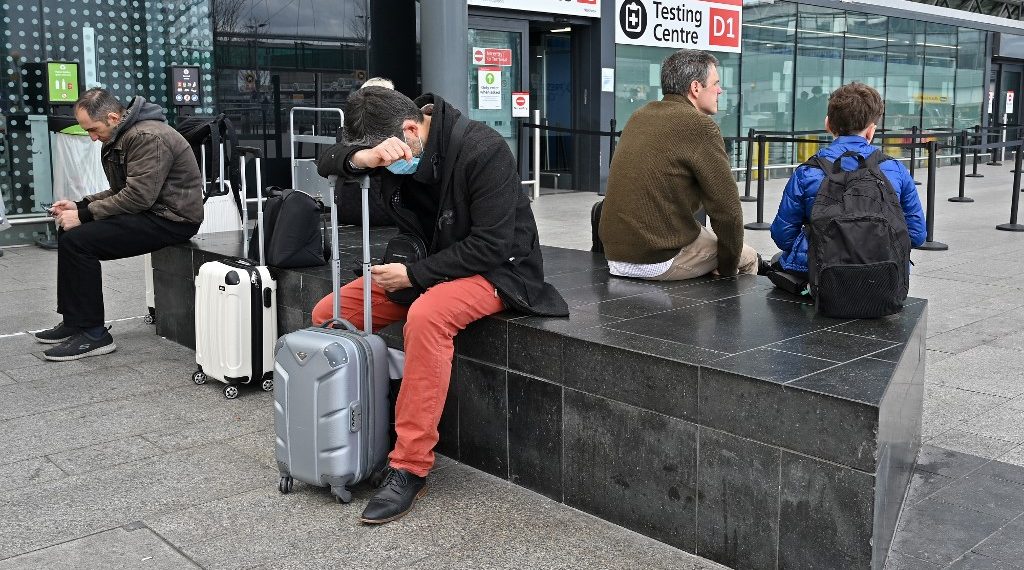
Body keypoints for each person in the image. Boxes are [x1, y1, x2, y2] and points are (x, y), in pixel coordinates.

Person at [313, 87, 568, 524]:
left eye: (389, 157)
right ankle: (363, 431)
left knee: (428, 317)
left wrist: (414, 277)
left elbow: (492, 244)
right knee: (330, 315)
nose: (392, 167)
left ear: (412, 130)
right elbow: (328, 160)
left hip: (497, 270)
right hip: (427, 267)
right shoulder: (393, 141)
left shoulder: (482, 149)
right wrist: (362, 160)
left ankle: (410, 465)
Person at [35, 88, 203, 360]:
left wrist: (86, 214)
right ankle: (75, 321)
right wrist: (81, 205)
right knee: (68, 231)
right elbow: (122, 190)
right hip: (151, 211)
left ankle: (94, 334)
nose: (91, 137)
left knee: (80, 241)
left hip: (173, 219)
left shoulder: (148, 137)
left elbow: (138, 196)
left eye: (93, 129)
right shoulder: (120, 135)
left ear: (113, 117)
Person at [600, 49, 764, 280]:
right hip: (658, 258)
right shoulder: (700, 126)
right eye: (715, 83)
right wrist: (727, 269)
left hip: (616, 256)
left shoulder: (639, 116)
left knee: (707, 236)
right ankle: (728, 314)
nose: (720, 90)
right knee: (747, 256)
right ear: (696, 88)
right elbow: (728, 212)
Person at [769, 82, 926, 287]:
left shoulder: (807, 172)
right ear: (871, 131)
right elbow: (916, 234)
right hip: (883, 276)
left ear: (828, 124)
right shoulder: (896, 170)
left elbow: (783, 235)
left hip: (821, 276)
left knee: (777, 261)